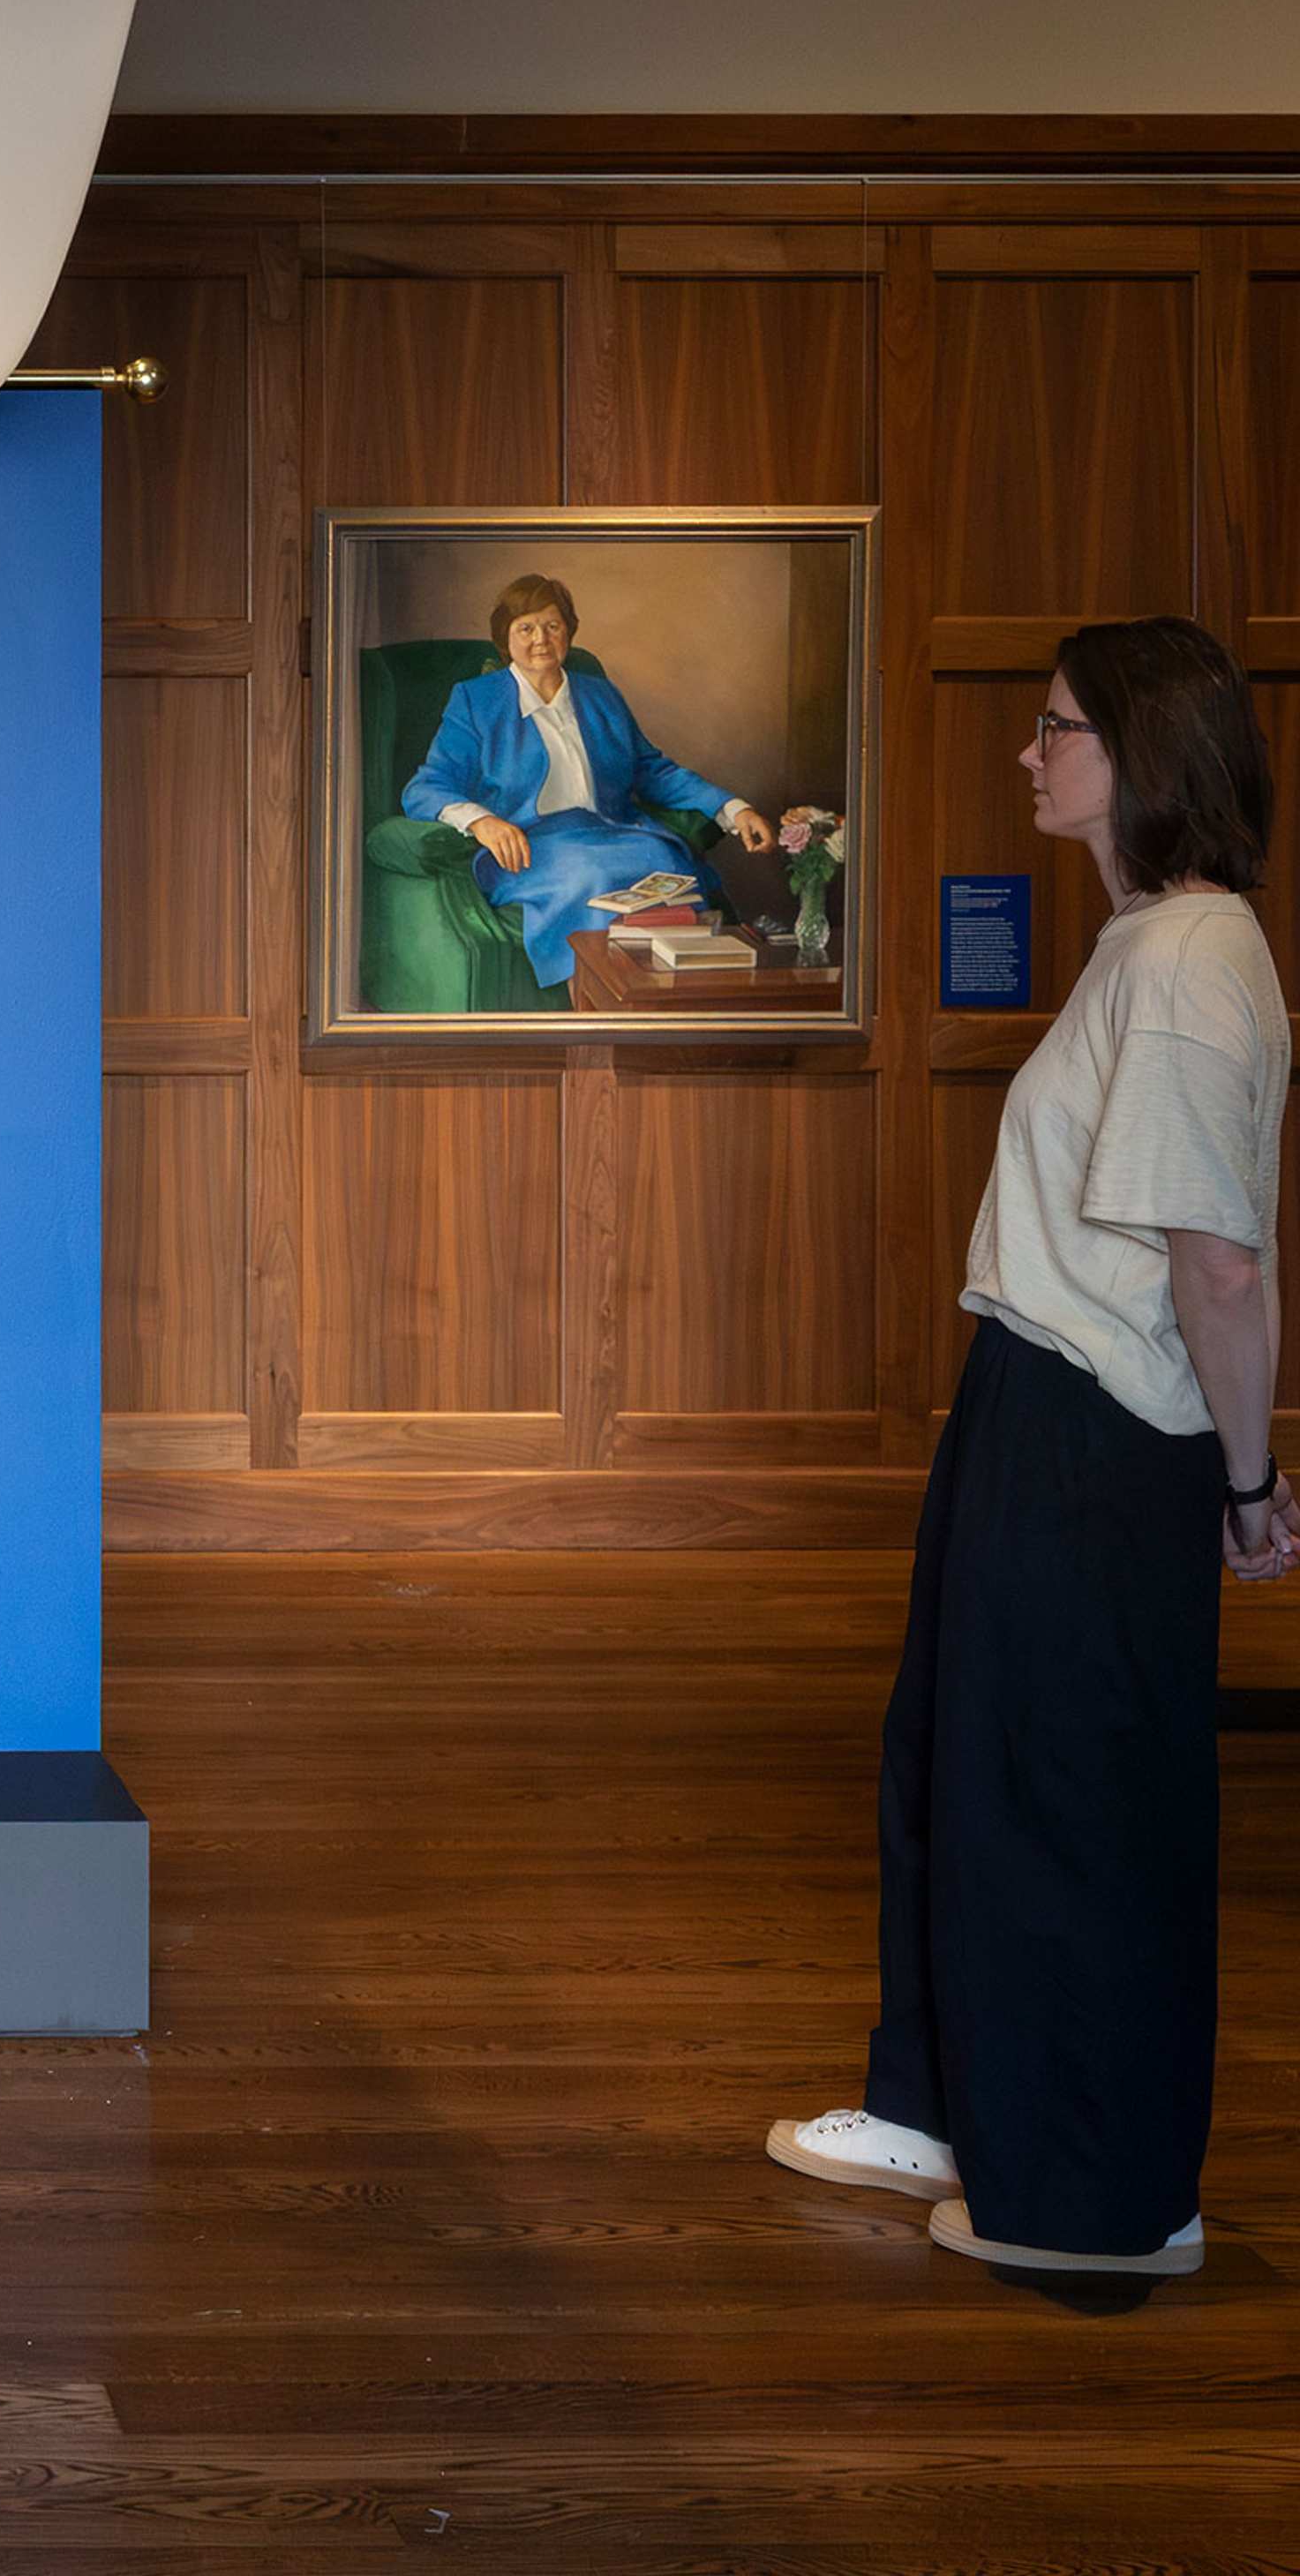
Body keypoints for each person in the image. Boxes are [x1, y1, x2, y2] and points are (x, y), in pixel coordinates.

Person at [770, 615, 1289, 2278]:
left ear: (1148, 756)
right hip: (1030, 1399)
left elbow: (1217, 1263)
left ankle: (1102, 2204)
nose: (1029, 752)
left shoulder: (1200, 961)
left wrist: (1248, 1482)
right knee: (955, 1760)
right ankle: (942, 2102)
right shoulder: (1144, 941)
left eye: (1058, 728)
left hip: (1096, 1429)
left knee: (1074, 1800)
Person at [399, 572, 776, 984]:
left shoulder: (600, 694)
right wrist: (482, 822)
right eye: (525, 628)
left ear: (569, 633)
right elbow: (426, 786)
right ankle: (599, 1007)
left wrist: (733, 809)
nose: (540, 638)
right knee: (594, 877)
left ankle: (670, 1009)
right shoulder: (476, 700)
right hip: (530, 847)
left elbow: (652, 770)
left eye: (552, 626)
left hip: (614, 834)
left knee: (671, 868)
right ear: (504, 638)